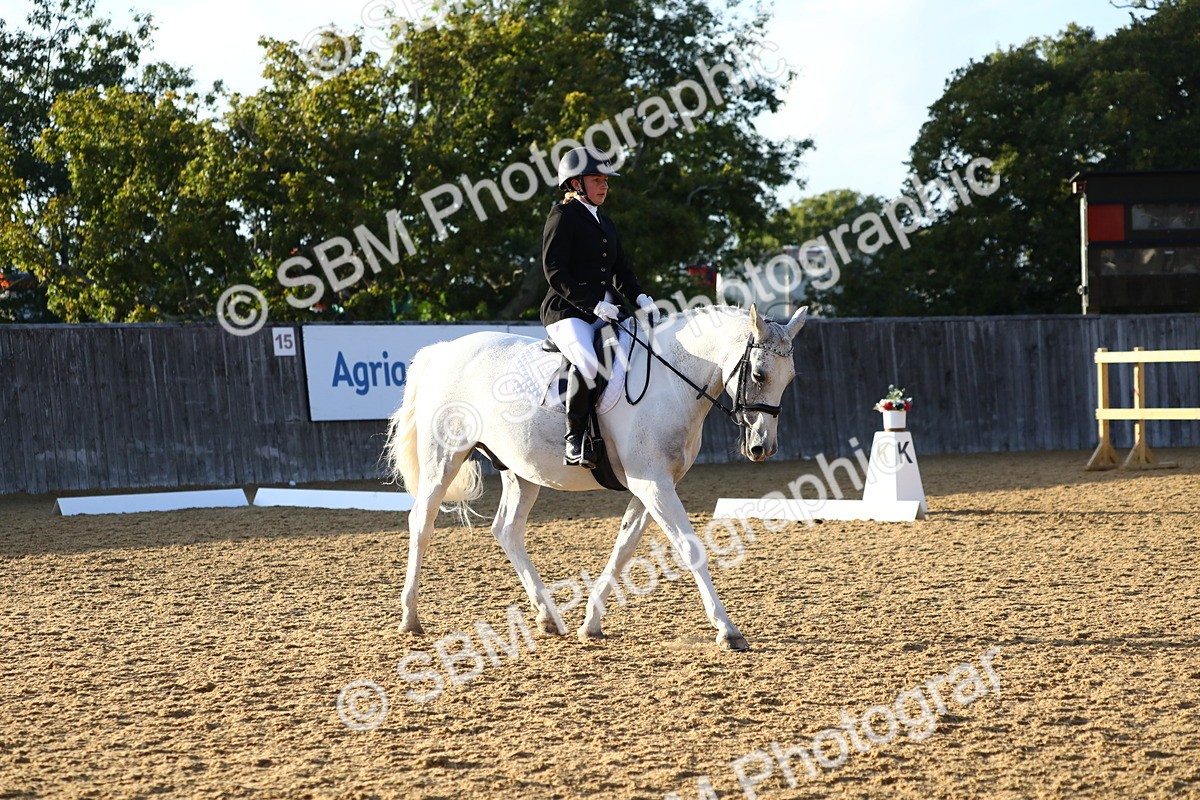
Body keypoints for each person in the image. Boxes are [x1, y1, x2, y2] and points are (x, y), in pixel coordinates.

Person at [540, 146, 658, 468]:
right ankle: (574, 439)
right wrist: (592, 304)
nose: (605, 186)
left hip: (607, 311)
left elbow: (622, 271)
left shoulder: (605, 223)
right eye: (597, 180)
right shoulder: (563, 217)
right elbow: (554, 271)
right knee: (590, 364)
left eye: (606, 180)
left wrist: (640, 298)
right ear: (576, 184)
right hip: (567, 312)